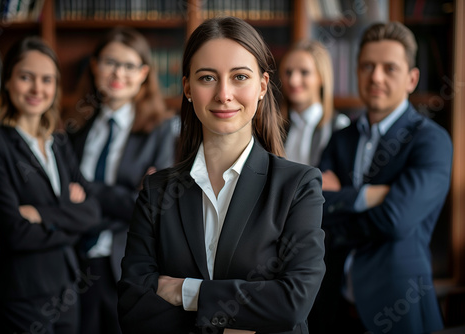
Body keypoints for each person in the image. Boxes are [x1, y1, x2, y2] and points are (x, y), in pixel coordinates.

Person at [117, 16, 326, 334]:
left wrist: (186, 292)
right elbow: (134, 310)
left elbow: (292, 303)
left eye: (240, 76)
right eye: (207, 78)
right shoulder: (157, 191)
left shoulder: (298, 186)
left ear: (262, 86)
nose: (224, 94)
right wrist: (240, 320)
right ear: (187, 87)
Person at [315, 22, 452, 334]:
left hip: (396, 305)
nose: (376, 76)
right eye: (367, 66)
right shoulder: (340, 138)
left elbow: (396, 219)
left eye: (389, 68)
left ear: (412, 78)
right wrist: (367, 196)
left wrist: (340, 206)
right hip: (331, 305)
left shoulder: (431, 140)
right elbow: (313, 208)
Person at [0, 36, 101, 333]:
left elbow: (93, 213)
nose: (37, 89)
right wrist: (70, 215)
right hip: (22, 292)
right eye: (25, 77)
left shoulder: (59, 142)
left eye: (47, 80)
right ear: (7, 82)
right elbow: (16, 233)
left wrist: (41, 214)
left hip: (67, 286)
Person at [67, 27, 178, 334]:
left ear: (143, 73)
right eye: (110, 62)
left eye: (129, 65)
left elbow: (151, 208)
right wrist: (127, 195)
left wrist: (88, 191)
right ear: (94, 65)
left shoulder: (160, 130)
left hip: (125, 264)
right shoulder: (75, 126)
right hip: (74, 260)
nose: (119, 72)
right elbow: (62, 196)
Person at [278, 39, 349, 167]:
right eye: (288, 72)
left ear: (321, 77)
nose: (293, 81)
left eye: (304, 72)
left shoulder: (339, 126)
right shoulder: (274, 127)